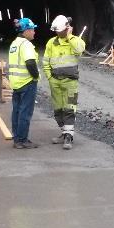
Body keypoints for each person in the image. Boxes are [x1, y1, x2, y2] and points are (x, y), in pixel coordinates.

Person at [42, 15, 86, 150]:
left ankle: (69, 137)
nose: (57, 33)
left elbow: (79, 50)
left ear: (66, 28)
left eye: (59, 31)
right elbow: (46, 62)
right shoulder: (51, 43)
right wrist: (50, 78)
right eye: (56, 31)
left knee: (69, 109)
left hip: (70, 83)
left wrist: (70, 36)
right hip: (55, 82)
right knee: (58, 110)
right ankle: (64, 132)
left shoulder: (75, 41)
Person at [8, 17, 40, 149]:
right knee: (25, 112)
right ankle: (22, 140)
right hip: (27, 83)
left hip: (16, 83)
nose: (34, 32)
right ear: (26, 31)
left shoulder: (14, 43)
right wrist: (36, 76)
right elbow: (30, 63)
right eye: (32, 29)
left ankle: (16, 139)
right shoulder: (26, 45)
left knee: (16, 111)